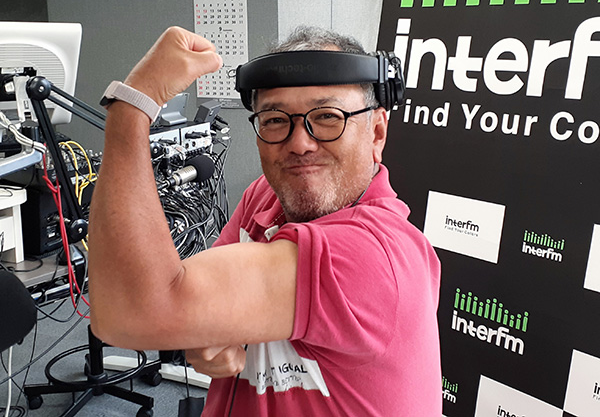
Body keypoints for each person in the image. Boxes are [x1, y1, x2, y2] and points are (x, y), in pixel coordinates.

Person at [88, 25, 442, 416]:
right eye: (274, 120)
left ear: (377, 133)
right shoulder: (269, 195)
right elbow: (188, 306)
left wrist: (134, 103)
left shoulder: (371, 258)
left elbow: (130, 311)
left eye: (328, 116)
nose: (300, 143)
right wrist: (204, 330)